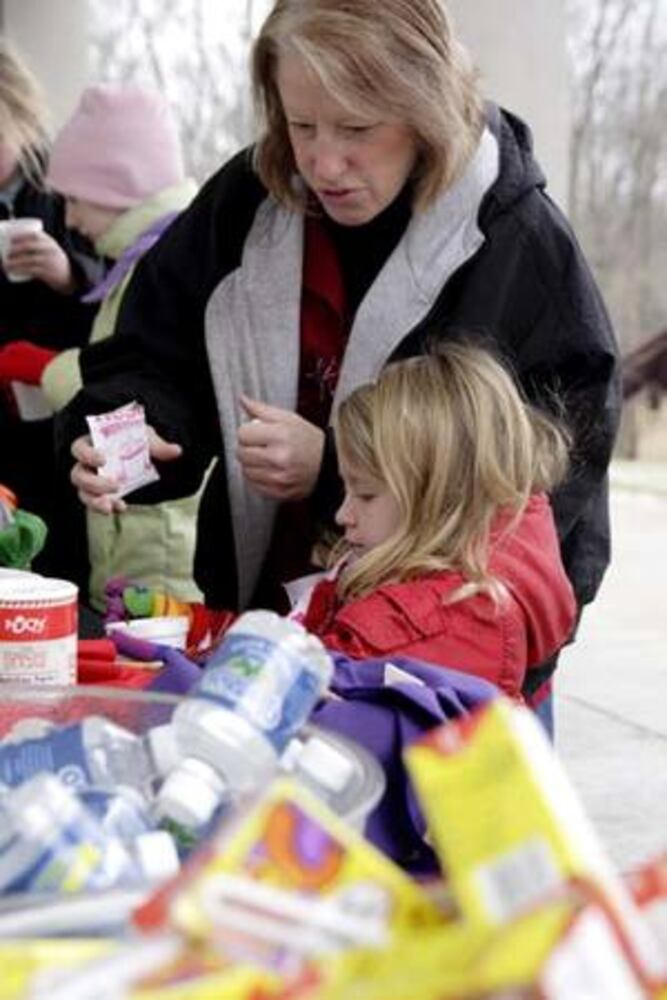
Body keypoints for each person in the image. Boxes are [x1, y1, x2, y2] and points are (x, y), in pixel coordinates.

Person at [58, 0, 620, 711]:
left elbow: (548, 504)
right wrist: (135, 431)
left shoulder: (518, 246)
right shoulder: (245, 203)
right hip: (269, 629)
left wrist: (331, 471)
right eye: (300, 125)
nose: (323, 162)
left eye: (357, 127)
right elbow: (152, 351)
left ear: (425, 106)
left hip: (441, 675)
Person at [292, 343, 577, 699]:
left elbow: (291, 700)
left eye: (365, 495)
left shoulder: (426, 629)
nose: (342, 515)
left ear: (438, 499)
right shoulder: (457, 583)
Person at [40, 83, 201, 610]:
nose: (67, 220)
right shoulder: (135, 263)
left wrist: (49, 370)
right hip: (134, 536)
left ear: (115, 187)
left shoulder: (161, 268)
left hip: (160, 552)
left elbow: (129, 378)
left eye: (73, 199)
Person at [0, 38, 99, 577]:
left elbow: (116, 291)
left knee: (55, 548)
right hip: (4, 410)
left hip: (58, 407)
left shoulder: (66, 187)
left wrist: (66, 273)